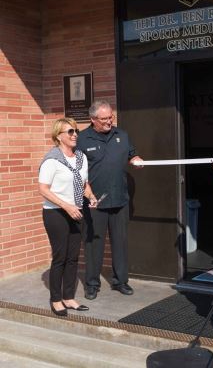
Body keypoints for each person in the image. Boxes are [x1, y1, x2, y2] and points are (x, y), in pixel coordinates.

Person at [77, 100, 143, 300]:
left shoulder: (121, 135)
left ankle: (120, 282)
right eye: (104, 119)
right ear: (93, 119)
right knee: (93, 244)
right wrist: (87, 194)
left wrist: (136, 159)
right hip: (94, 202)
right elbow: (77, 171)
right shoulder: (82, 139)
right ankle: (92, 284)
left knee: (120, 243)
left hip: (120, 199)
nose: (109, 121)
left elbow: (132, 154)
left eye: (110, 117)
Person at [39, 118, 96, 316]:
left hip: (77, 210)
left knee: (73, 258)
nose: (75, 135)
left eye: (76, 131)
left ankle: (69, 297)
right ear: (58, 136)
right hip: (56, 213)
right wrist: (66, 205)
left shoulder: (81, 157)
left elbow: (84, 183)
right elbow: (43, 189)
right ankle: (56, 300)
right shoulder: (52, 159)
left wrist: (91, 196)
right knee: (60, 257)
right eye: (70, 131)